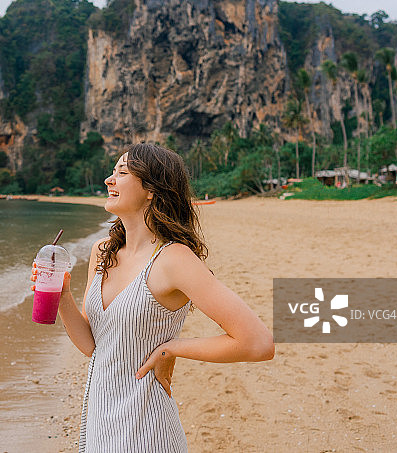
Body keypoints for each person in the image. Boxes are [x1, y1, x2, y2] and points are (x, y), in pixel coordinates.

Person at [32, 143, 274, 452]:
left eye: (122, 172)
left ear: (151, 189)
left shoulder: (174, 259)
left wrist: (172, 349)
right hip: (101, 422)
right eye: (112, 171)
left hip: (147, 430)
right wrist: (62, 294)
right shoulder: (102, 252)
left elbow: (258, 343)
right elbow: (93, 345)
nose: (109, 179)